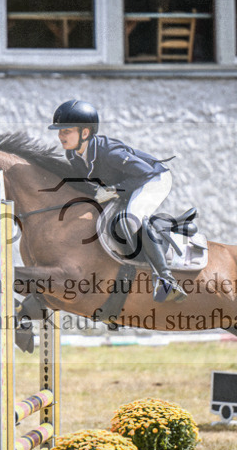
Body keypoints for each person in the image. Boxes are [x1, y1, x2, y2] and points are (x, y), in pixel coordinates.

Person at [48, 99, 186, 303]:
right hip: (127, 183)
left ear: (85, 133)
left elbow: (145, 173)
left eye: (66, 131)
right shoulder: (73, 155)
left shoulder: (110, 153)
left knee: (131, 219)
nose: (60, 136)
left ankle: (167, 280)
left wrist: (114, 190)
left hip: (154, 179)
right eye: (59, 131)